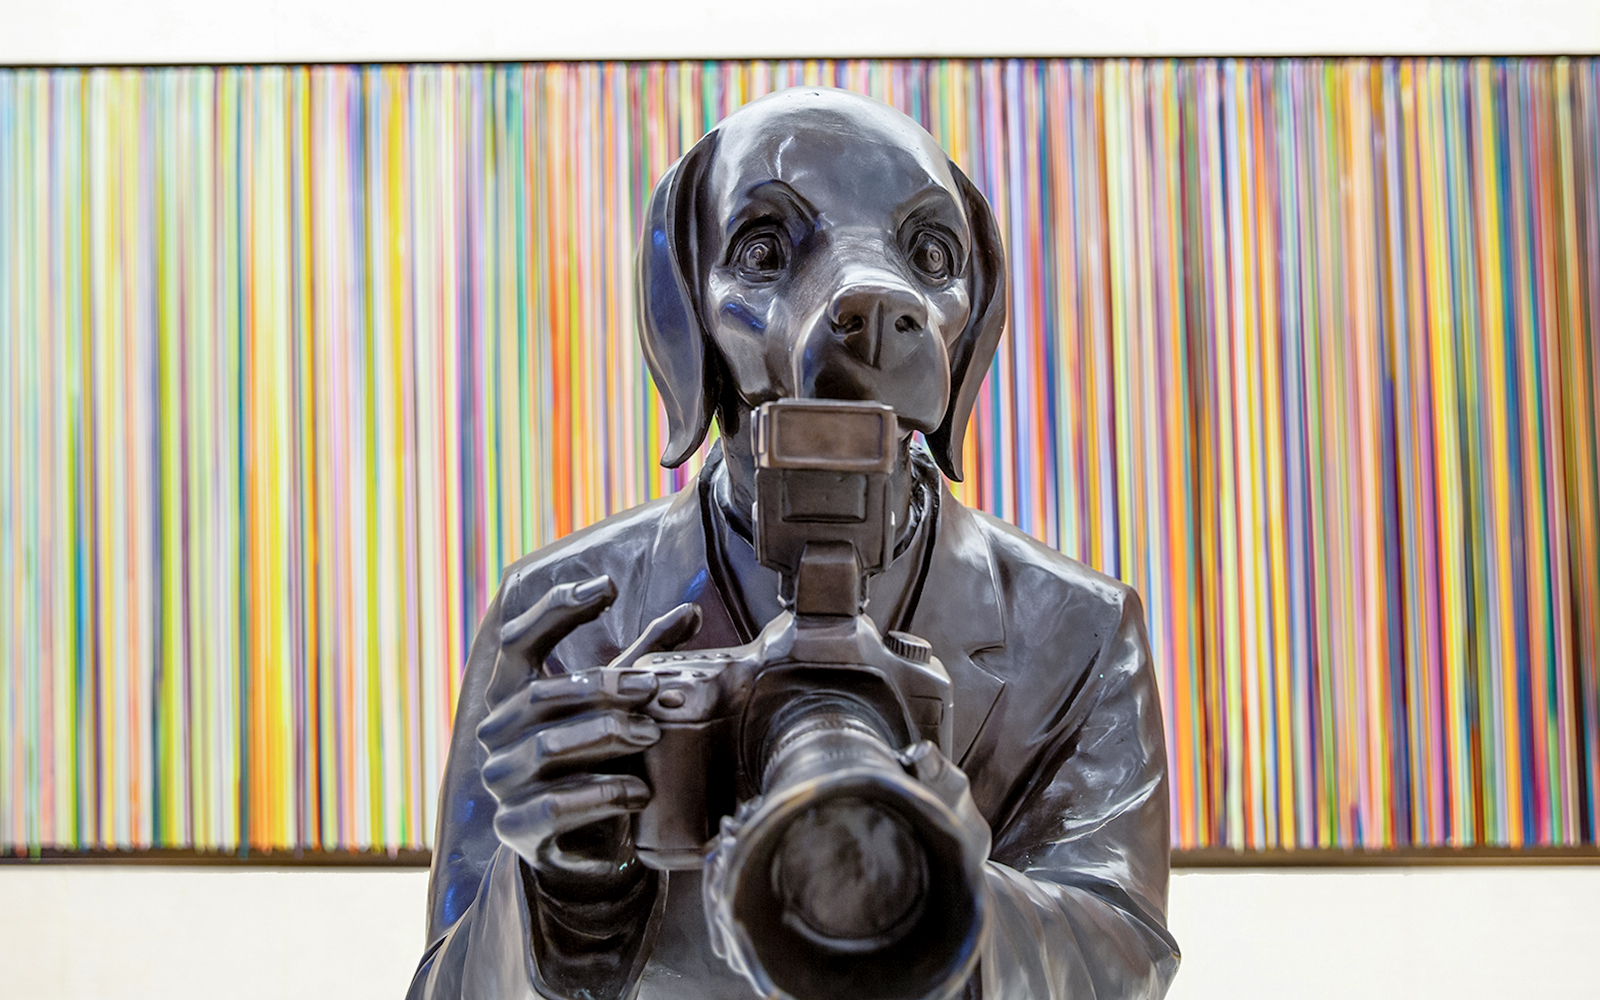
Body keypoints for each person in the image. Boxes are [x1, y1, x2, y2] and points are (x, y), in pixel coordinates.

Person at [409, 87, 1179, 1000]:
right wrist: (564, 905)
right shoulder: (563, 622)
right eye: (766, 251)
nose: (873, 304)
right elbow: (445, 989)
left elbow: (1121, 958)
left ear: (971, 324)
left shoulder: (1080, 633)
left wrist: (951, 902)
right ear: (685, 309)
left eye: (929, 254)